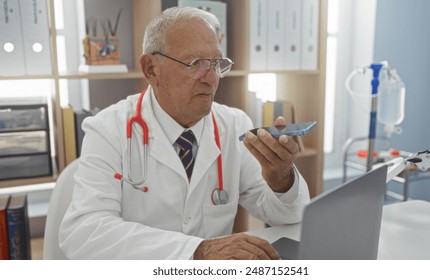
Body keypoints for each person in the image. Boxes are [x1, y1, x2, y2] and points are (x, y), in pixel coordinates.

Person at [59, 6, 310, 260]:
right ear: (151, 69)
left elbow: (289, 217)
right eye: (195, 63)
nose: (212, 79)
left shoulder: (234, 124)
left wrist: (281, 180)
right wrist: (195, 251)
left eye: (216, 64)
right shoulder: (107, 129)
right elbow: (83, 232)